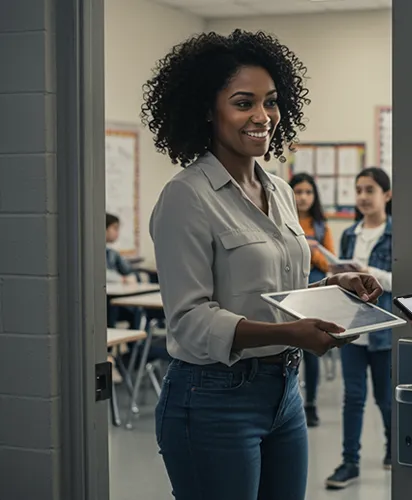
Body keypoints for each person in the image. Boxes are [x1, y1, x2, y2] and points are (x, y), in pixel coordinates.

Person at [142, 30, 382, 500]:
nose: (262, 116)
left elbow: (277, 287)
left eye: (270, 102)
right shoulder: (186, 197)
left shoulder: (280, 190)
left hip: (283, 392)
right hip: (212, 398)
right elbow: (190, 322)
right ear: (209, 111)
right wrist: (289, 334)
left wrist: (334, 283)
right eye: (243, 102)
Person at [326, 167, 393, 489]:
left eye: (370, 190)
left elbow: (406, 277)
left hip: (382, 329)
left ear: (387, 195)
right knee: (353, 397)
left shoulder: (397, 233)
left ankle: (394, 449)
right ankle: (349, 462)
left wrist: (371, 272)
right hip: (351, 328)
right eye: (359, 190)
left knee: (385, 397)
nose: (363, 197)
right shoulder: (350, 233)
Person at [289, 172, 335, 427]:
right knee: (288, 343)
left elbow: (329, 261)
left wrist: (312, 251)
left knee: (311, 349)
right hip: (291, 286)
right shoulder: (282, 219)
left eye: (308, 192)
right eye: (298, 192)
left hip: (314, 288)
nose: (303, 197)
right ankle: (290, 399)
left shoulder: (320, 225)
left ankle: (311, 403)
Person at [105, 213, 141, 329]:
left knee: (136, 310)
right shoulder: (92, 251)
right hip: (104, 300)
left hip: (115, 297)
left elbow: (129, 271)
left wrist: (130, 276)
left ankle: (135, 346)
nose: (117, 233)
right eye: (114, 228)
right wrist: (122, 279)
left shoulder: (112, 253)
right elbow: (100, 274)